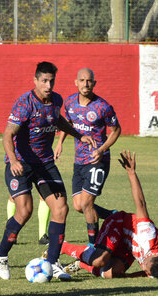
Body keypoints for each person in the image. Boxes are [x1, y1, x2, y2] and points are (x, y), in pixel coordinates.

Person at [0, 61, 96, 281]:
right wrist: (13, 160)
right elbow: (7, 135)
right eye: (44, 81)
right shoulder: (24, 103)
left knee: (61, 208)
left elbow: (57, 120)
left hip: (45, 164)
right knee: (25, 211)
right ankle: (1, 254)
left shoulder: (56, 100)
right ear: (36, 81)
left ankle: (52, 261)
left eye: (51, 81)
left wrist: (79, 135)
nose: (48, 85)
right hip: (20, 163)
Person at [60, 150, 158, 279]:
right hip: (118, 225)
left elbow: (148, 272)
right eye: (145, 265)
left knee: (111, 273)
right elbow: (141, 204)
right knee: (99, 261)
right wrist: (131, 173)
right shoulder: (147, 235)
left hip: (129, 246)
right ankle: (62, 246)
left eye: (146, 271)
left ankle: (81, 264)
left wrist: (127, 276)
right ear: (154, 257)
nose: (143, 267)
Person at [54, 68, 121, 246]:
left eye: (89, 81)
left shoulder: (103, 106)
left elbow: (116, 130)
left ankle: (94, 245)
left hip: (98, 160)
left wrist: (102, 149)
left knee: (86, 203)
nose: (86, 84)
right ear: (76, 82)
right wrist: (60, 142)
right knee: (78, 206)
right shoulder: (69, 103)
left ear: (94, 83)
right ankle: (112, 216)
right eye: (82, 80)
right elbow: (67, 123)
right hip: (79, 161)